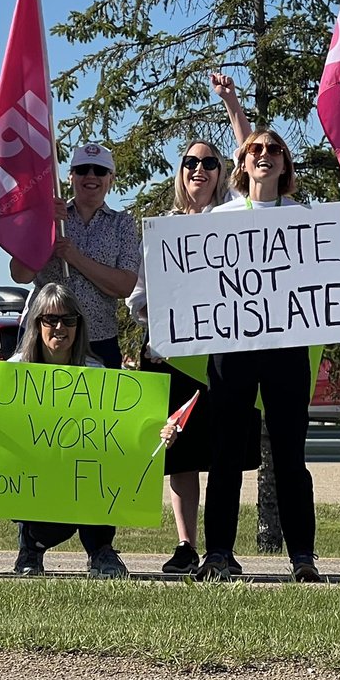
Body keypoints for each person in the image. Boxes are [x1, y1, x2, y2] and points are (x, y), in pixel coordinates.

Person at [126, 136, 261, 574]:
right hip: (172, 358)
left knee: (226, 454)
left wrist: (233, 105)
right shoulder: (162, 229)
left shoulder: (234, 218)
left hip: (225, 360)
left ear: (223, 172)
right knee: (180, 454)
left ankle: (222, 547)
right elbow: (138, 298)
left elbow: (251, 159)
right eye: (190, 162)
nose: (199, 170)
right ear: (180, 172)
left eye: (208, 163)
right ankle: (186, 545)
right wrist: (157, 306)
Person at [195, 127, 324, 582]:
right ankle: (218, 553)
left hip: (287, 351)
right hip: (232, 351)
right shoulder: (219, 218)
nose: (265, 155)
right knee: (226, 453)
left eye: (274, 150)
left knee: (290, 456)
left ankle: (303, 557)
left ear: (285, 164)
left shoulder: (308, 220)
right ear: (243, 164)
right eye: (256, 149)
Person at [0, 282, 130, 578]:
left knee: (97, 473)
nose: (60, 327)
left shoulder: (97, 374)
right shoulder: (12, 372)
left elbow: (124, 433)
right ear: (37, 324)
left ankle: (101, 550)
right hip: (32, 482)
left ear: (78, 326)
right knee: (44, 502)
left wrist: (157, 434)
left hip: (81, 478)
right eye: (50, 319)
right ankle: (31, 547)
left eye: (68, 320)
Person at [10, 142, 140, 370]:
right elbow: (19, 274)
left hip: (98, 339)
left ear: (112, 179)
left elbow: (125, 286)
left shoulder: (123, 224)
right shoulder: (48, 216)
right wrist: (43, 227)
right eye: (82, 169)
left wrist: (75, 257)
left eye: (100, 171)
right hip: (43, 338)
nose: (91, 176)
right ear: (70, 177)